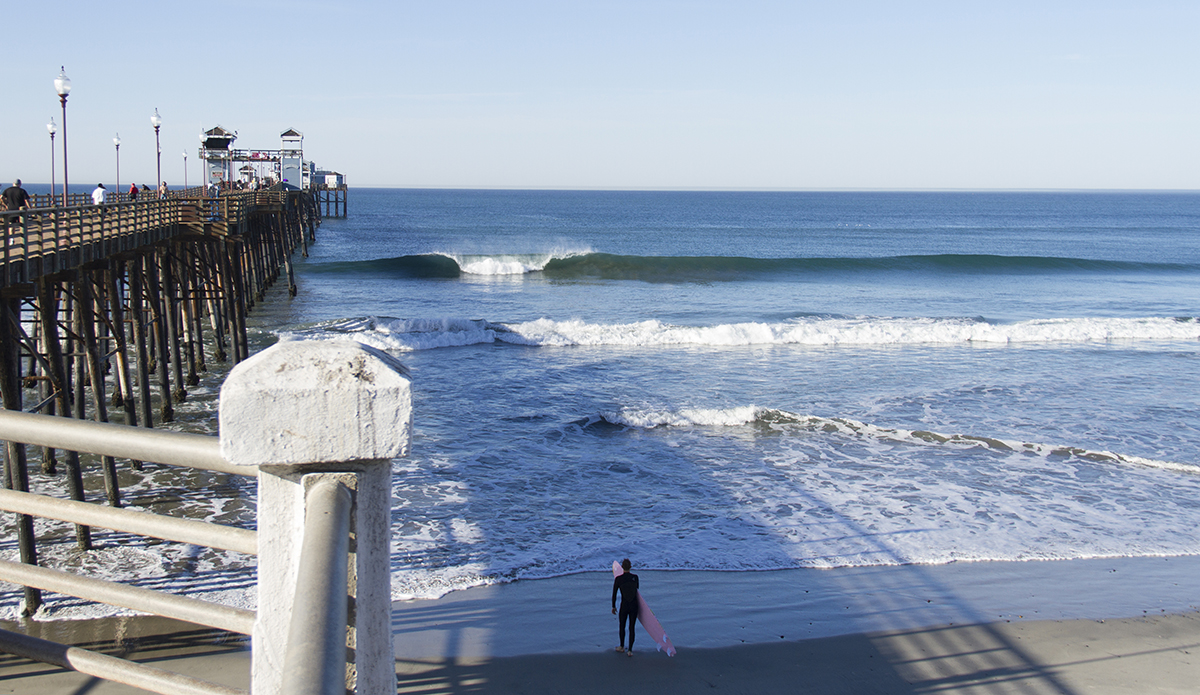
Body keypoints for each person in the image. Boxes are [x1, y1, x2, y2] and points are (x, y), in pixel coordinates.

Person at [611, 558, 639, 656]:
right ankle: (630, 650)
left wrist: (613, 606)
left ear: (622, 567)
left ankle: (622, 646)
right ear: (630, 567)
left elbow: (614, 594)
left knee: (622, 626)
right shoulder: (635, 577)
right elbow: (636, 591)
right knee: (632, 627)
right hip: (634, 605)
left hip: (624, 605)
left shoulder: (618, 579)